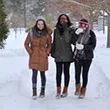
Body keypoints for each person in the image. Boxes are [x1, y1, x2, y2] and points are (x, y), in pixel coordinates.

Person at [24, 18, 52, 100]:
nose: (40, 26)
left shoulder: (47, 33)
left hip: (43, 56)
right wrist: (31, 52)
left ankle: (42, 90)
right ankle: (34, 91)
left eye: (42, 24)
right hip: (34, 56)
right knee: (34, 74)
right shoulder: (32, 33)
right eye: (39, 24)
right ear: (36, 24)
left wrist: (47, 52)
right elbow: (26, 44)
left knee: (42, 74)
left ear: (44, 25)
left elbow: (50, 44)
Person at [51, 14, 74, 98]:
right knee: (58, 73)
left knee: (66, 72)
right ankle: (58, 90)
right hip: (58, 54)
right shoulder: (56, 30)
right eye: (61, 19)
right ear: (59, 20)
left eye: (64, 19)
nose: (63, 20)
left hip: (67, 54)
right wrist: (52, 52)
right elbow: (54, 42)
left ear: (67, 20)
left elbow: (68, 40)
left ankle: (65, 89)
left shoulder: (70, 30)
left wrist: (65, 28)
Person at [73, 19, 96, 99]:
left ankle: (83, 90)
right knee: (77, 73)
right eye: (81, 25)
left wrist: (84, 47)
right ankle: (77, 88)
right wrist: (76, 34)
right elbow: (72, 41)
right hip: (78, 57)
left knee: (84, 74)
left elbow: (93, 46)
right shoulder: (77, 31)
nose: (83, 27)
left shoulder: (91, 33)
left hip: (87, 57)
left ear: (87, 25)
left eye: (85, 25)